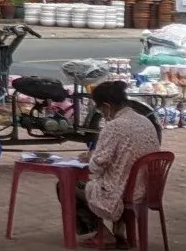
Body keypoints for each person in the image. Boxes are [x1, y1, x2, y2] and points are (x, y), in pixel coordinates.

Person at [64, 80, 160, 249]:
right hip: (146, 187)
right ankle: (120, 231)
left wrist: (90, 158)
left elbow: (97, 166)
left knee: (66, 186)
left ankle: (103, 233)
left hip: (123, 191)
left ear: (107, 106)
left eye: (100, 109)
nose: (102, 114)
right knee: (119, 176)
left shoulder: (114, 126)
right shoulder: (146, 122)